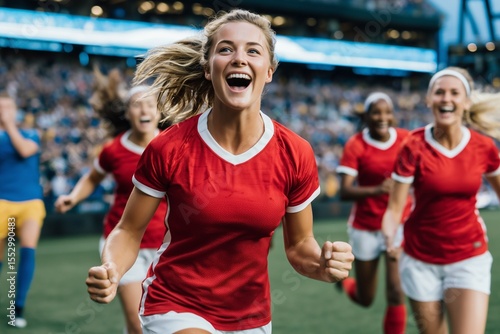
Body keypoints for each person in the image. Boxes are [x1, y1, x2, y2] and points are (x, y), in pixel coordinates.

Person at [85, 9, 354, 334]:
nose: (239, 58)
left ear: (268, 71)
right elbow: (128, 230)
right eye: (226, 49)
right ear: (208, 68)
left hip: (251, 317)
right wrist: (112, 267)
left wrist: (323, 265)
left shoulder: (295, 152)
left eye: (253, 50)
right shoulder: (168, 148)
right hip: (175, 304)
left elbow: (299, 246)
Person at [382, 66, 500, 334]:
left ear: (466, 102)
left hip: (469, 257)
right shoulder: (412, 145)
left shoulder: (484, 147)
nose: (446, 99)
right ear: (428, 99)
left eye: (454, 93)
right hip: (419, 259)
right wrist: (391, 238)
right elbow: (394, 209)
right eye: (439, 93)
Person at [55, 68, 168, 334]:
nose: (144, 110)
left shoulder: (173, 145)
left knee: (164, 321)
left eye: (150, 104)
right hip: (122, 242)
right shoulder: (113, 150)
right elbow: (92, 179)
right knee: (137, 322)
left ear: (159, 113)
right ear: (127, 114)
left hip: (166, 245)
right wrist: (73, 197)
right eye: (137, 105)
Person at [336, 92, 412, 334]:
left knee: (396, 291)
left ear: (393, 115)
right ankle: (345, 283)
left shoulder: (406, 139)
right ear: (366, 116)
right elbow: (344, 191)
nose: (382, 117)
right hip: (366, 226)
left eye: (387, 112)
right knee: (365, 298)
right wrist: (378, 189)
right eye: (376, 112)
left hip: (398, 224)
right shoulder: (356, 144)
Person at [0, 92, 45, 328]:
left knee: (28, 249)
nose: (4, 111)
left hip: (30, 202)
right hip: (1, 201)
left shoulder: (30, 134)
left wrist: (8, 126)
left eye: (8, 107)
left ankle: (17, 307)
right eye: (1, 107)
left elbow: (25, 151)